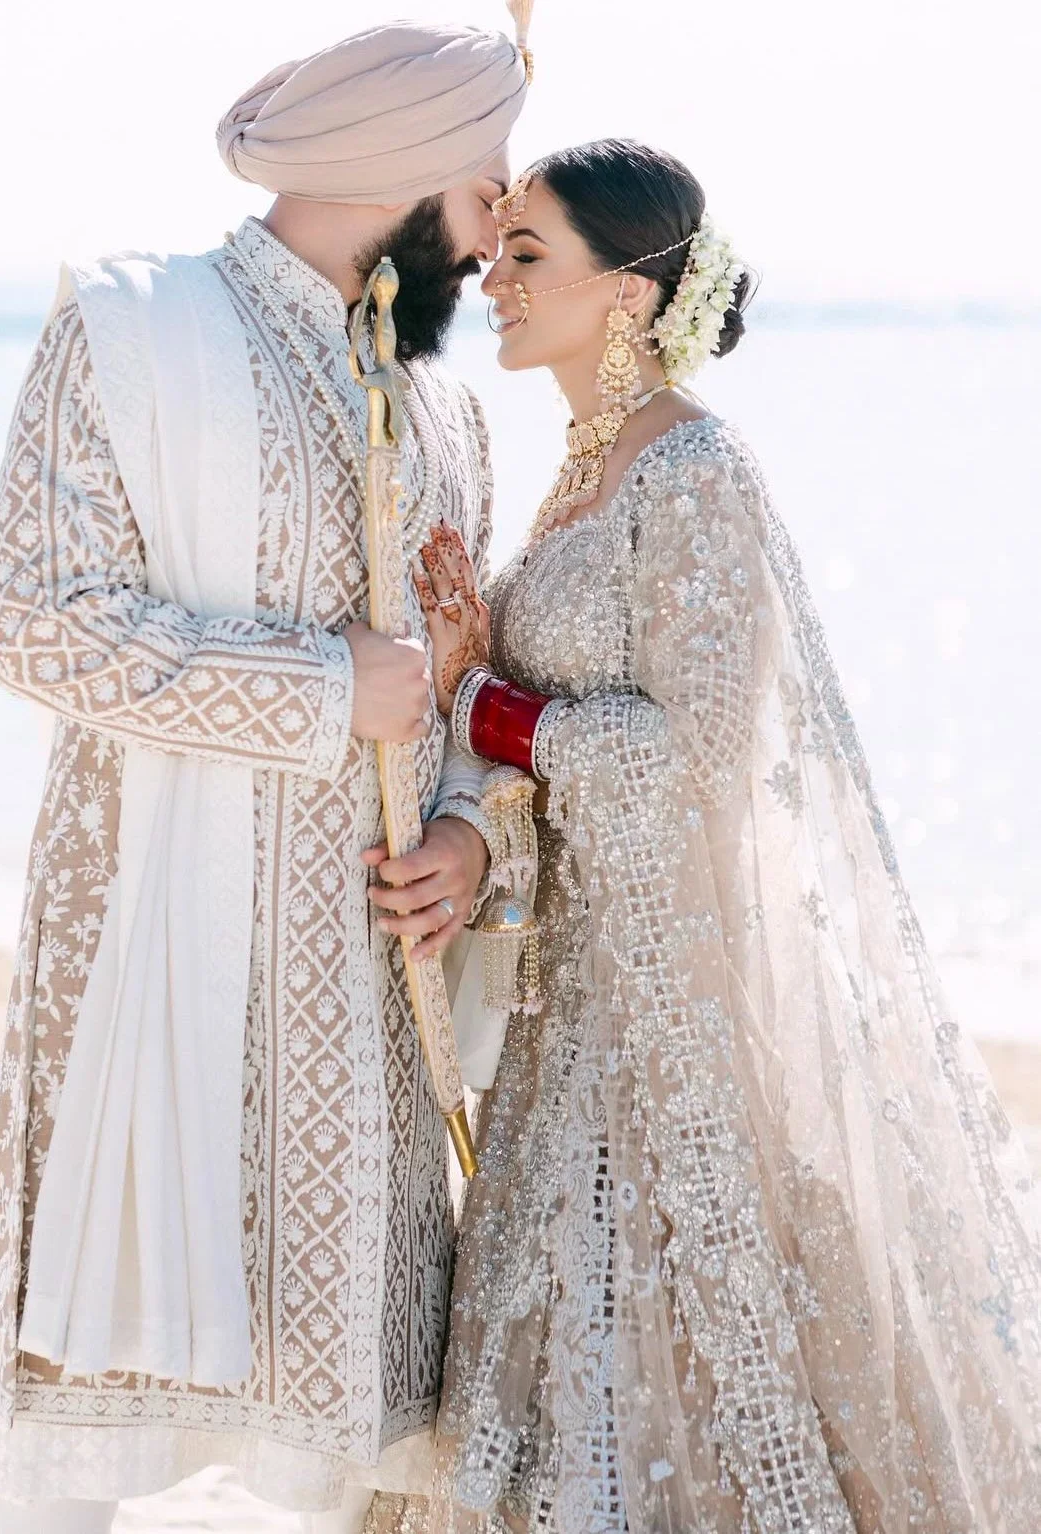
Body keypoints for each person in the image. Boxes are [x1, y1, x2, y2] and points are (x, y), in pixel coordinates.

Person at [397, 138, 1041, 1531]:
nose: (490, 281)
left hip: (674, 1007)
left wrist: (485, 702)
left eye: (526, 257)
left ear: (626, 296)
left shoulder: (693, 475)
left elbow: (688, 763)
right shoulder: (577, 475)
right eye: (495, 248)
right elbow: (553, 748)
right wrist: (459, 701)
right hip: (574, 997)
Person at [0, 17, 535, 1533]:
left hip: (372, 997)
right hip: (164, 957)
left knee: (368, 1444)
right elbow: (36, 620)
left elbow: (469, 673)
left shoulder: (446, 409)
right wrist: (317, 685)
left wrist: (473, 838)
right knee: (109, 1389)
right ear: (403, 177)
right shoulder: (132, 329)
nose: (495, 238)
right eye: (483, 193)